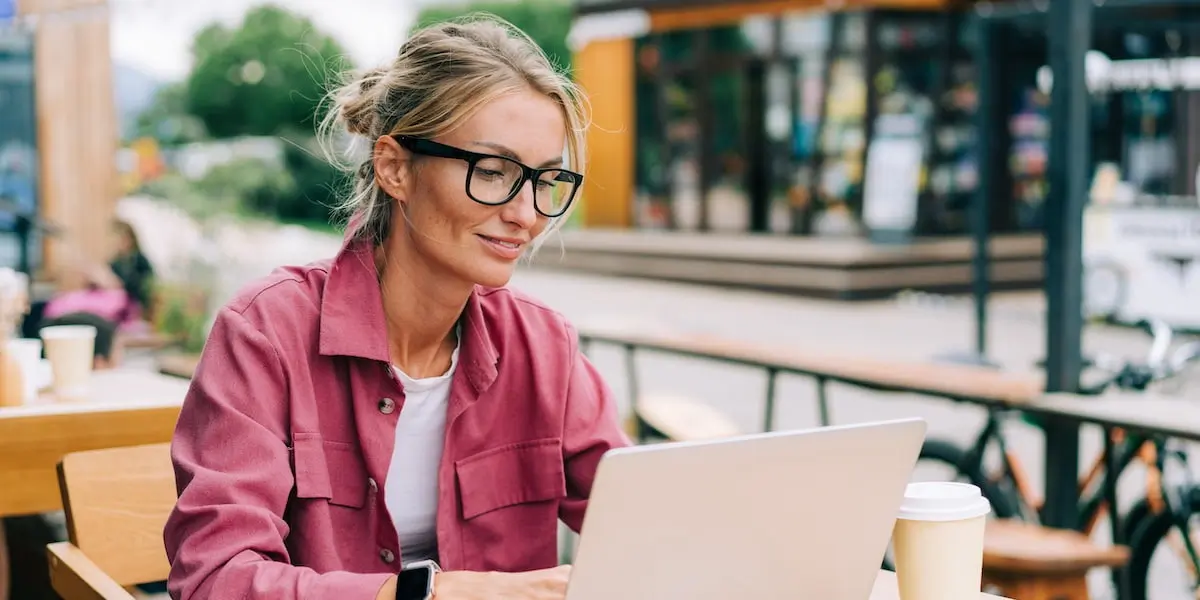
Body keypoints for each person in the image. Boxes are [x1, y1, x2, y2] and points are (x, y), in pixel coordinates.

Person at [163, 16, 631, 600]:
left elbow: (644, 528)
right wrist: (434, 593)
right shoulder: (265, 331)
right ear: (394, 168)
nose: (527, 214)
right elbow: (215, 578)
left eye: (545, 179)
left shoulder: (544, 346)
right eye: (493, 172)